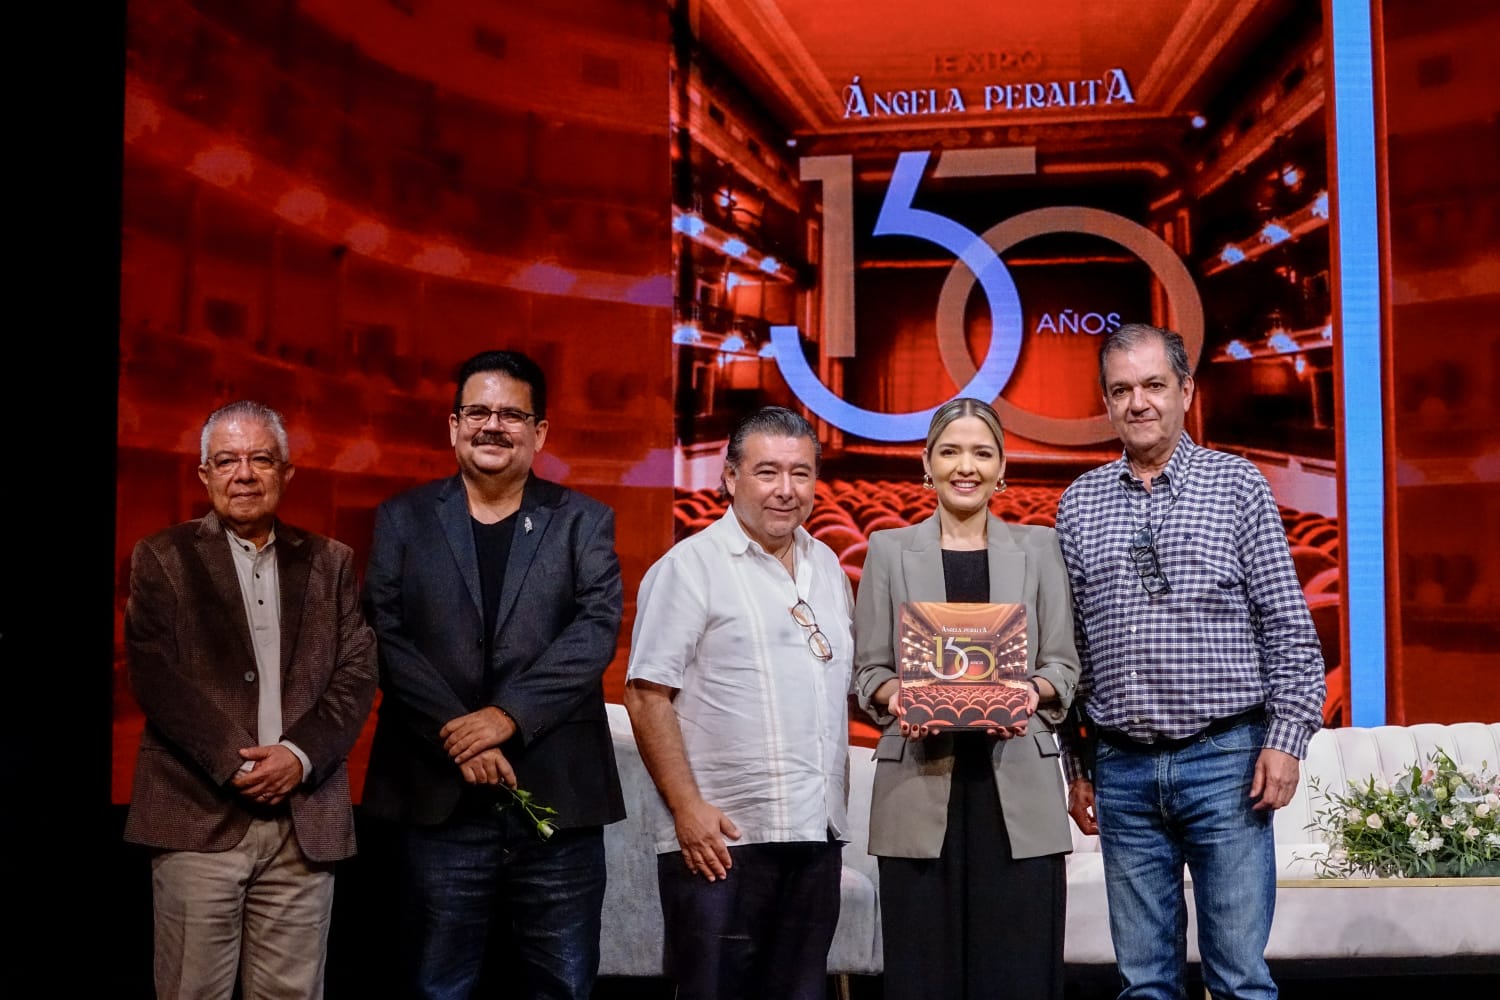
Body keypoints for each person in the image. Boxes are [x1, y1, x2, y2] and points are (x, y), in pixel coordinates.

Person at [1056, 323, 1326, 1000]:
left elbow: (1289, 629)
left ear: (1186, 390)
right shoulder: (1079, 504)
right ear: (1106, 402)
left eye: (1153, 385)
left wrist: (1286, 742)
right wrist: (1078, 767)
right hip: (1121, 772)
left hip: (1226, 764)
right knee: (1144, 984)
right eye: (1122, 389)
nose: (1138, 402)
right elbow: (1072, 653)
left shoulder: (1238, 485)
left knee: (1239, 979)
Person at [361, 350, 626, 1000]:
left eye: (512, 415)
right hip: (437, 796)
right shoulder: (402, 519)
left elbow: (594, 634)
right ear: (453, 425)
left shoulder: (584, 521)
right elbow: (384, 635)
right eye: (478, 411)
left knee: (562, 986)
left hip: (556, 801)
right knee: (436, 987)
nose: (493, 426)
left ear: (540, 432)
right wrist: (460, 732)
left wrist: (504, 718)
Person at [124, 400, 378, 999]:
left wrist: (299, 755)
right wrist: (234, 764)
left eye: (261, 459)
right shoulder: (162, 557)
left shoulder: (332, 562)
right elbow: (156, 676)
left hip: (303, 822)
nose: (244, 474)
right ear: (204, 474)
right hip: (197, 817)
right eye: (227, 460)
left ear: (286, 473)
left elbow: (356, 672)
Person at [852, 397, 1081, 1000]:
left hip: (1019, 788)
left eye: (982, 453)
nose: (966, 466)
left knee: (1019, 974)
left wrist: (1026, 691)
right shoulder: (888, 549)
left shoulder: (1040, 547)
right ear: (926, 464)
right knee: (923, 975)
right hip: (917, 785)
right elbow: (868, 671)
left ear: (1002, 468)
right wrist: (900, 695)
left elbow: (1063, 666)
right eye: (950, 451)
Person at [623, 406, 854, 1000]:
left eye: (800, 473)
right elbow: (646, 695)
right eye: (767, 472)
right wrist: (687, 808)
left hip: (814, 832)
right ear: (730, 477)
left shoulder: (828, 566)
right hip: (721, 841)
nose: (785, 489)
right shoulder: (689, 567)